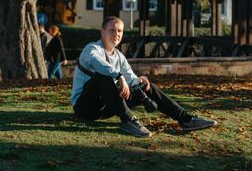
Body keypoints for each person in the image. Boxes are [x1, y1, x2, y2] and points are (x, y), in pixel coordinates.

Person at [70, 16, 217, 137]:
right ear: (102, 32)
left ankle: (186, 119)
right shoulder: (92, 49)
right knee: (104, 76)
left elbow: (130, 76)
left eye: (119, 31)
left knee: (148, 86)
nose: (116, 34)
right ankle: (128, 121)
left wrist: (140, 82)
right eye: (112, 30)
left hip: (106, 107)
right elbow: (98, 63)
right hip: (85, 108)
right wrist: (118, 76)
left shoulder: (119, 56)